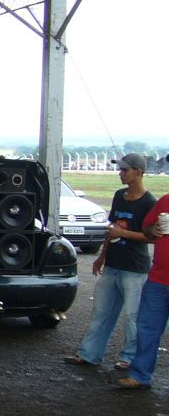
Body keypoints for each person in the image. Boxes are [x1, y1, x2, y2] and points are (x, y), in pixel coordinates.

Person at [64, 153, 155, 370]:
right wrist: (102, 256)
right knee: (101, 312)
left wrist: (122, 234)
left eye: (125, 170)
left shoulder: (149, 202)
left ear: (138, 172)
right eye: (120, 169)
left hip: (134, 268)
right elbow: (112, 228)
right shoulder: (119, 196)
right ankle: (89, 354)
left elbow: (151, 237)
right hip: (113, 264)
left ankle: (130, 359)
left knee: (132, 317)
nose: (120, 173)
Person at [118, 194, 169, 389]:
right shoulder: (165, 201)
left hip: (158, 281)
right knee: (147, 328)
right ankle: (140, 375)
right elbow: (146, 229)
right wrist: (153, 229)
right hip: (157, 280)